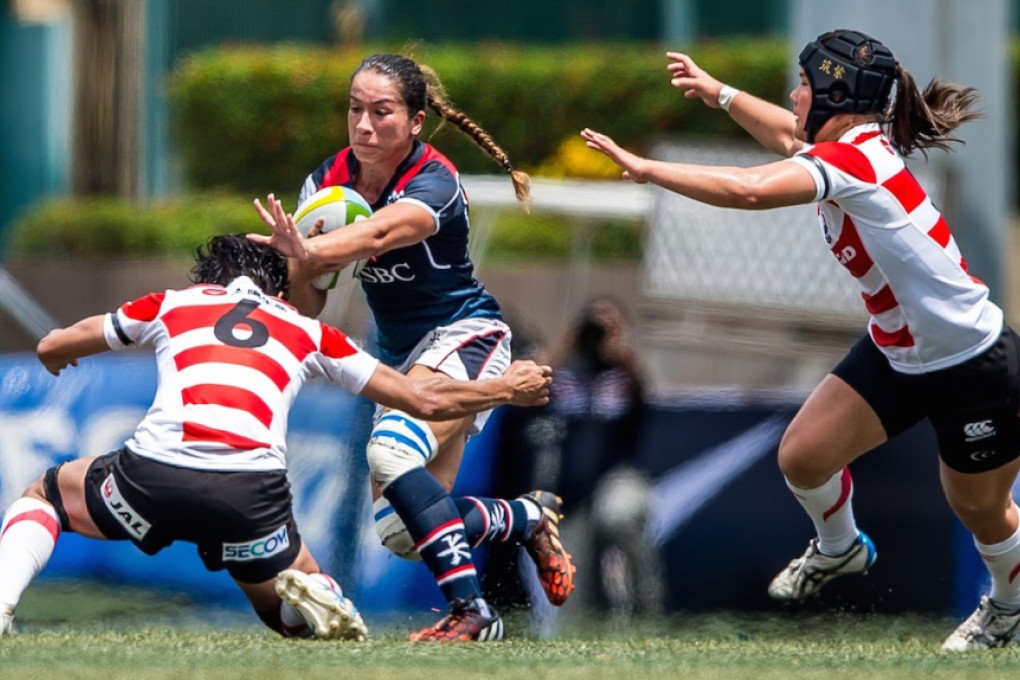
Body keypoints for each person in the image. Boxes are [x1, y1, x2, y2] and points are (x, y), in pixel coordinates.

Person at [582, 29, 1020, 651]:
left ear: (836, 96)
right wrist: (721, 93)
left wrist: (648, 169)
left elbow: (750, 189)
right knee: (804, 457)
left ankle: (1009, 605)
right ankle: (840, 547)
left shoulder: (853, 160)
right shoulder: (852, 147)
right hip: (898, 352)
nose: (793, 96)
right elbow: (789, 138)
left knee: (979, 510)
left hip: (973, 362)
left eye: (805, 85)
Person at [0, 234, 552, 640]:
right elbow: (424, 400)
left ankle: (1, 603)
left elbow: (53, 345)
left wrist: (58, 358)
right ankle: (320, 593)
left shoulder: (172, 303)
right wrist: (503, 387)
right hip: (252, 497)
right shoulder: (310, 330)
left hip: (153, 477)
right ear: (278, 287)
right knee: (286, 611)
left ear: (209, 279)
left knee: (47, 493)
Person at [249, 53, 575, 642]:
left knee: (392, 453)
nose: (364, 126)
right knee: (402, 533)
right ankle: (524, 516)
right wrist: (298, 271)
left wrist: (305, 250)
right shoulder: (325, 184)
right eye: (355, 110)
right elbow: (311, 304)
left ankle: (473, 613)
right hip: (403, 357)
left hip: (465, 335)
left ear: (416, 121)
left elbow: (378, 232)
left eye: (382, 112)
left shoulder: (435, 182)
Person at [538, 297, 664, 618]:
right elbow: (528, 400)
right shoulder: (564, 377)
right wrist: (567, 344)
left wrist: (622, 352)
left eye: (610, 327)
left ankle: (648, 610)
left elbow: (644, 397)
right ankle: (593, 630)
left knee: (619, 515)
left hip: (619, 478)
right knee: (574, 592)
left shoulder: (624, 377)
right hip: (572, 488)